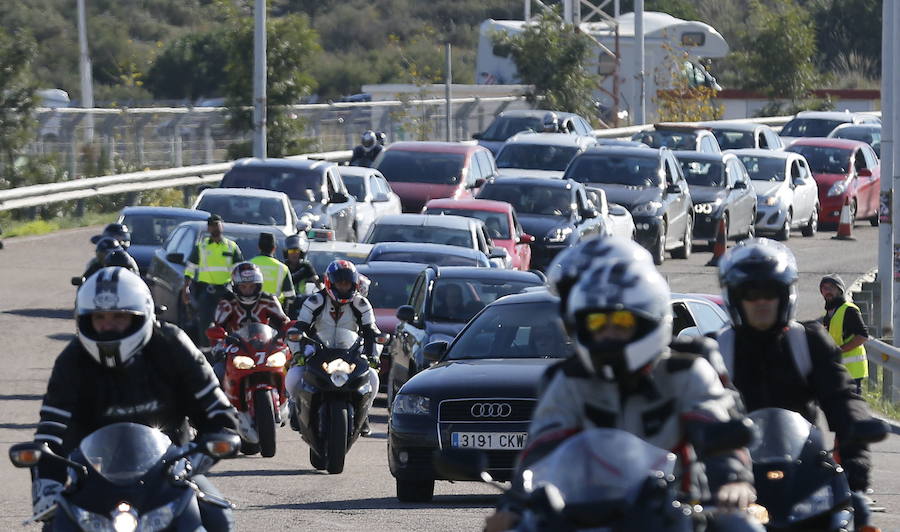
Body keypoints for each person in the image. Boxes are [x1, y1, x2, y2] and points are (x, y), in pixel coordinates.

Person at [486, 237, 759, 532]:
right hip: (583, 515)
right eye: (597, 324)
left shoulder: (686, 370)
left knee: (741, 526)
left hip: (678, 511)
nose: (608, 333)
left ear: (648, 320)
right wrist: (512, 506)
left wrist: (733, 480)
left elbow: (717, 426)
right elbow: (540, 452)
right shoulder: (568, 379)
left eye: (621, 322)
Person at [30, 267, 238, 530]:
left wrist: (207, 448)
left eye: (120, 316)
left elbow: (219, 415)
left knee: (218, 518)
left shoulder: (173, 346)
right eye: (99, 317)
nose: (108, 325)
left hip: (170, 474)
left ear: (142, 316)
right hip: (89, 479)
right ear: (83, 320)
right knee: (56, 525)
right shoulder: (72, 359)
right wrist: (47, 484)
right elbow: (50, 433)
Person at [716, 239, 878, 532]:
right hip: (735, 478)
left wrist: (857, 459)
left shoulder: (808, 341)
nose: (761, 301)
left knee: (856, 512)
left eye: (770, 292)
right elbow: (696, 411)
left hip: (804, 474)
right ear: (735, 298)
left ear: (785, 295)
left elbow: (842, 400)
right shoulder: (717, 349)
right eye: (751, 294)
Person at [285, 260, 380, 435]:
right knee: (295, 373)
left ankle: (364, 412)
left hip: (351, 350)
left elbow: (371, 332)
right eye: (340, 283)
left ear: (354, 285)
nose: (343, 287)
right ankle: (294, 405)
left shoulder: (362, 304)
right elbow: (301, 326)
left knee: (373, 376)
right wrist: (298, 351)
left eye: (347, 284)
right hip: (317, 348)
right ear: (330, 283)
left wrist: (373, 354)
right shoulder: (315, 300)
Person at [209, 262, 291, 381]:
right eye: (243, 286)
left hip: (266, 348)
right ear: (235, 286)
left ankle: (289, 398)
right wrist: (218, 348)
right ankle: (219, 399)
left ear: (258, 286)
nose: (248, 290)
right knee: (218, 372)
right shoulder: (227, 302)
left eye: (252, 286)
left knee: (289, 368)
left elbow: (284, 323)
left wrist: (288, 338)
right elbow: (217, 329)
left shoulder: (268, 299)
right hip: (236, 348)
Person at [181, 214, 243, 346]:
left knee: (230, 322)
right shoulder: (201, 246)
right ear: (208, 228)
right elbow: (190, 269)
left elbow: (239, 271)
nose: (216, 227)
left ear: (222, 226)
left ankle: (230, 348)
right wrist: (185, 288)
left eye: (218, 224)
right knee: (205, 323)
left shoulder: (231, 247)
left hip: (226, 291)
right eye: (212, 225)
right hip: (206, 291)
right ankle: (207, 350)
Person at [820, 273, 869, 394]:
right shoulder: (829, 314)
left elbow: (863, 336)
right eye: (824, 288)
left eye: (831, 288)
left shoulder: (849, 310)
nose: (827, 291)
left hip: (852, 372)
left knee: (851, 409)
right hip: (837, 370)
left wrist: (839, 350)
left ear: (839, 290)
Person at [250, 232, 295, 309]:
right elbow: (290, 296)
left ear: (258, 247)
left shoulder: (249, 265)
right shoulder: (282, 268)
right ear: (274, 248)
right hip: (273, 312)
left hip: (252, 311)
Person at [282, 233, 321, 316]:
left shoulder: (306, 266)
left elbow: (318, 283)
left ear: (301, 253)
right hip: (285, 303)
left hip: (302, 303)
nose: (294, 254)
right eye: (291, 251)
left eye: (296, 251)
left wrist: (322, 292)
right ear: (287, 253)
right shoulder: (283, 267)